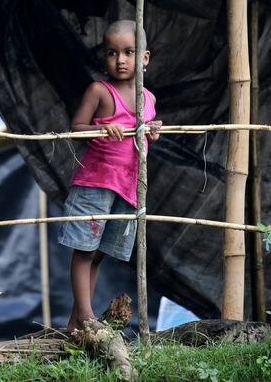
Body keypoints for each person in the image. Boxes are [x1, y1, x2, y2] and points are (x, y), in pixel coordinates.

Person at [59, 19, 161, 332]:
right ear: (104, 57)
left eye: (129, 52)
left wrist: (152, 133)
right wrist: (100, 129)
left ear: (144, 57)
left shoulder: (149, 100)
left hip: (127, 188)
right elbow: (76, 130)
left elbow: (140, 140)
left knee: (99, 255)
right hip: (95, 183)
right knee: (85, 250)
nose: (121, 60)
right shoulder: (99, 92)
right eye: (112, 53)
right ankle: (87, 317)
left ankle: (76, 323)